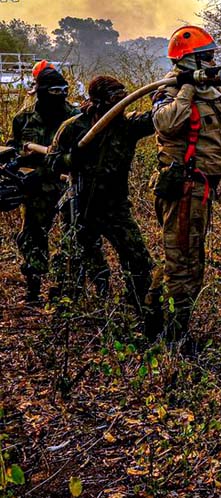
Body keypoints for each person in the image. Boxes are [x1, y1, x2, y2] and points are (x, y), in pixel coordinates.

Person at [148, 25, 221, 344]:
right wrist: (186, 89)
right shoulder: (168, 91)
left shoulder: (214, 90)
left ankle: (153, 318)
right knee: (184, 264)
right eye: (205, 56)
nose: (211, 60)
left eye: (211, 55)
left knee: (183, 255)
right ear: (188, 61)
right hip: (183, 188)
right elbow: (166, 124)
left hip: (201, 189)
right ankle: (173, 337)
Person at [47, 76, 156, 335]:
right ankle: (64, 319)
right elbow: (53, 162)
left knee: (137, 258)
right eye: (113, 98)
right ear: (97, 101)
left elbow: (156, 118)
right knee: (73, 260)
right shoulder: (74, 126)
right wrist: (72, 157)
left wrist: (171, 90)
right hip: (81, 205)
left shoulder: (127, 125)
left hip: (115, 206)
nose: (120, 103)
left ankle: (145, 313)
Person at [8, 61, 79, 303]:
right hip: (36, 190)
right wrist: (15, 168)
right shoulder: (24, 119)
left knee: (73, 238)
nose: (59, 96)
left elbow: (81, 156)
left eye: (63, 90)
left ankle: (66, 291)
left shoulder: (76, 118)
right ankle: (33, 290)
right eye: (54, 91)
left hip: (69, 188)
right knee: (32, 238)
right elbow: (14, 149)